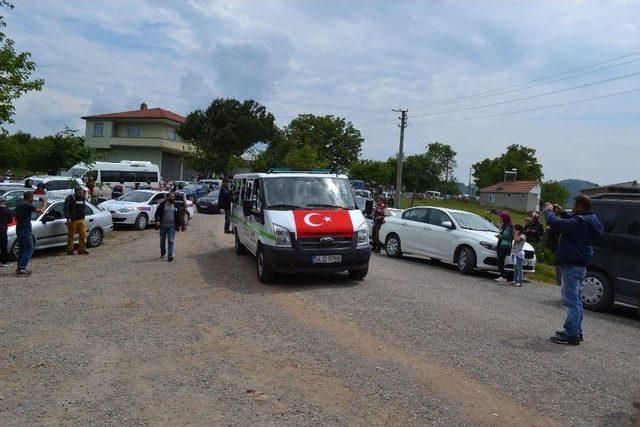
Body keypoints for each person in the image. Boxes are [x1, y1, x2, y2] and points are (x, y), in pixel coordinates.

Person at [544, 195, 603, 345]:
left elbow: (555, 224)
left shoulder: (579, 222)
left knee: (571, 301)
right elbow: (574, 221)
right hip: (580, 266)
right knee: (576, 300)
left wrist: (548, 211)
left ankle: (571, 334)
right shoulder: (590, 219)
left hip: (572, 265)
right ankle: (577, 331)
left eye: (575, 206)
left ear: (581, 207)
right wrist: (563, 212)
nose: (574, 208)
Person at [14, 191, 47, 275]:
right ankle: (21, 268)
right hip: (25, 229)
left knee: (22, 249)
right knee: (29, 249)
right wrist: (44, 203)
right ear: (29, 197)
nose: (33, 199)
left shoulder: (19, 205)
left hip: (19, 228)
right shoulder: (27, 205)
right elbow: (41, 211)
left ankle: (19, 267)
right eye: (32, 197)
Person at [154, 192, 185, 262]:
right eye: (172, 197)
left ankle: (170, 255)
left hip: (172, 226)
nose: (174, 198)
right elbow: (157, 213)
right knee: (162, 241)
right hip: (163, 226)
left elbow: (179, 216)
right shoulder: (162, 205)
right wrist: (157, 220)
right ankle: (163, 252)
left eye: (174, 197)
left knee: (171, 241)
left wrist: (181, 225)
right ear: (167, 198)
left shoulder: (175, 205)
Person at [64, 186, 89, 255]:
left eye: (82, 193)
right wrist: (68, 218)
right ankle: (70, 250)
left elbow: (83, 208)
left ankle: (81, 249)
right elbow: (65, 209)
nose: (81, 194)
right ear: (76, 192)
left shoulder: (83, 198)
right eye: (80, 193)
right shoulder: (69, 198)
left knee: (83, 234)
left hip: (81, 219)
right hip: (72, 220)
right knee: (71, 235)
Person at [490, 210, 514, 282]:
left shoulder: (510, 226)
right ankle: (502, 275)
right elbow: (501, 232)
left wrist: (502, 237)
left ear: (505, 218)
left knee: (500, 259)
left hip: (506, 245)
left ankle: (503, 276)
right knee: (500, 260)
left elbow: (511, 237)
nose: (501, 218)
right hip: (500, 243)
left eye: (502, 217)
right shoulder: (503, 225)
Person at [0, 198, 15, 267]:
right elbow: (10, 220)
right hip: (2, 230)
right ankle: (4, 262)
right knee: (3, 246)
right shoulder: (7, 210)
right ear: (3, 202)